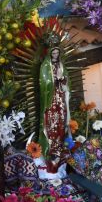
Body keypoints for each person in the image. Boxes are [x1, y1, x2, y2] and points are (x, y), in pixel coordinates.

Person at [38, 44, 71, 174]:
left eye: (57, 53)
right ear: (50, 54)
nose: (56, 55)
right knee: (50, 124)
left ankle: (59, 151)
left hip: (60, 98)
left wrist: (62, 79)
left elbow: (67, 83)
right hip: (50, 100)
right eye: (54, 53)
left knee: (61, 124)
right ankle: (49, 152)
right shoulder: (45, 66)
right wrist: (52, 80)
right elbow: (43, 82)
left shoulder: (62, 66)